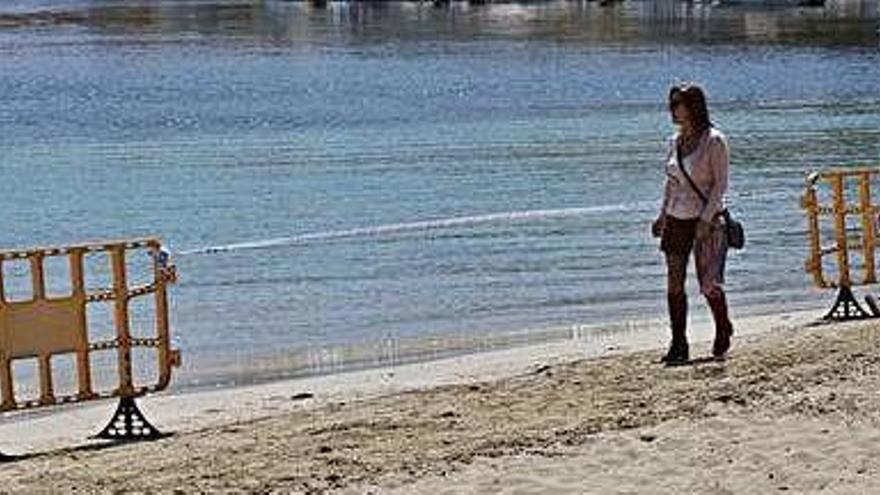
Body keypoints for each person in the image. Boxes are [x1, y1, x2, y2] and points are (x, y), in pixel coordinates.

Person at [651, 83, 733, 365]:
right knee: (674, 281)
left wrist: (706, 219)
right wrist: (662, 215)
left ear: (693, 106)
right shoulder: (674, 141)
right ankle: (678, 343)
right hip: (676, 218)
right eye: (671, 104)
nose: (672, 109)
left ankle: (723, 326)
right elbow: (671, 182)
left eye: (677, 104)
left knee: (708, 284)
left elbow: (720, 185)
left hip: (705, 221)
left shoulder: (714, 141)